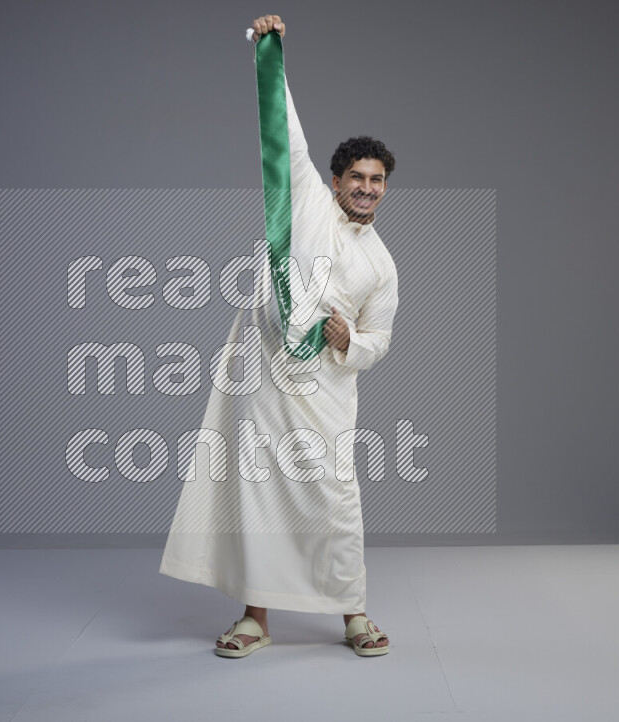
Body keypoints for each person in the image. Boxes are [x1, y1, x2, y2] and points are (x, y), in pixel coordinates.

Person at [159, 14, 399, 657]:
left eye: (378, 182)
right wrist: (269, 52)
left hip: (324, 390)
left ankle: (354, 616)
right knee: (258, 492)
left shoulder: (382, 264)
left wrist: (352, 339)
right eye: (358, 178)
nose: (367, 190)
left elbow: (381, 341)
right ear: (335, 181)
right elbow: (284, 136)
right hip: (263, 375)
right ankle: (255, 619)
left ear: (384, 190)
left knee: (335, 499)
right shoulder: (310, 208)